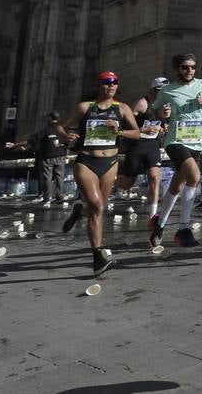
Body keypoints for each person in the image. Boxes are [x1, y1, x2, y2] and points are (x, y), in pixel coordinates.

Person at [57, 71, 141, 276]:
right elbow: (58, 126)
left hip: (110, 162)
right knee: (97, 206)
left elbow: (138, 133)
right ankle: (98, 255)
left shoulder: (122, 108)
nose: (111, 86)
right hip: (86, 161)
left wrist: (119, 131)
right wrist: (66, 136)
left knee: (98, 210)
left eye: (114, 83)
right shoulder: (85, 107)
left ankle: (79, 212)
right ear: (98, 85)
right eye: (106, 82)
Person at [149, 52, 202, 249]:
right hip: (175, 141)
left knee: (177, 183)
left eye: (192, 67)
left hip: (196, 143)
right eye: (185, 67)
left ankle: (160, 223)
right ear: (177, 69)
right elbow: (156, 109)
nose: (189, 70)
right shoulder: (168, 90)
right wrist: (162, 113)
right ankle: (184, 228)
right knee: (194, 176)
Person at [116, 77, 168, 229]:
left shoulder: (165, 104)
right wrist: (141, 130)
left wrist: (165, 125)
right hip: (137, 145)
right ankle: (109, 182)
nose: (162, 94)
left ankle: (153, 216)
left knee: (154, 177)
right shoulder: (142, 103)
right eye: (160, 91)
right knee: (127, 184)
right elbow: (126, 122)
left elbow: (161, 121)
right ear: (152, 90)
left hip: (152, 146)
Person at [7, 114, 69, 204]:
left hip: (48, 157)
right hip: (60, 156)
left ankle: (47, 197)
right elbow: (67, 142)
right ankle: (59, 196)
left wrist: (15, 145)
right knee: (59, 177)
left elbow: (31, 140)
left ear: (50, 118)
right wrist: (65, 154)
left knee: (47, 177)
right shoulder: (62, 130)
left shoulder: (45, 130)